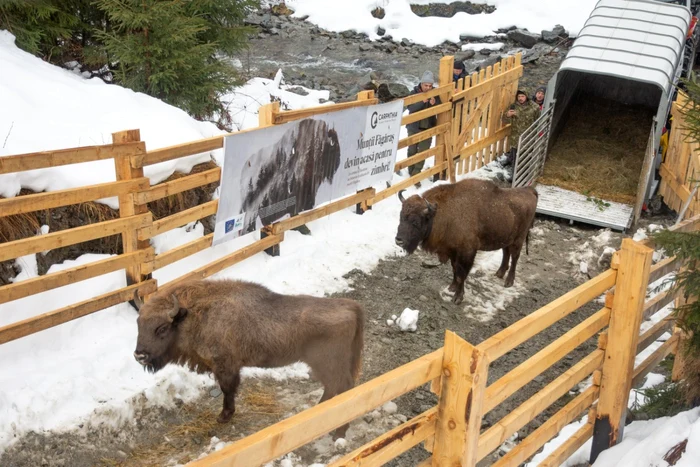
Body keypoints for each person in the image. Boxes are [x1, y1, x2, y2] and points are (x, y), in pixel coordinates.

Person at [406, 71, 441, 186]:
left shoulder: (435, 93)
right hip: (414, 126)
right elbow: (410, 108)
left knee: (423, 151)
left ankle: (416, 174)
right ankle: (411, 171)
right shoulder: (413, 92)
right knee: (412, 150)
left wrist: (434, 103)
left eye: (430, 86)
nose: (428, 88)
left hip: (428, 126)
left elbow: (440, 106)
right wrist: (422, 102)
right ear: (421, 84)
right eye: (426, 85)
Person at [501, 89, 540, 167]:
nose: (520, 98)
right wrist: (508, 115)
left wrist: (535, 133)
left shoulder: (535, 107)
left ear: (527, 97)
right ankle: (513, 170)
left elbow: (538, 121)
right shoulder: (514, 106)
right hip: (516, 136)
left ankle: (520, 170)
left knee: (523, 157)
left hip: (528, 136)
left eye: (522, 96)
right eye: (519, 96)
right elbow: (504, 120)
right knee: (515, 155)